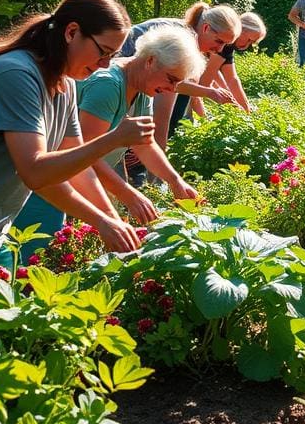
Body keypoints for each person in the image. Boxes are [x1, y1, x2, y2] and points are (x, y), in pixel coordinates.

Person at [0, 0, 154, 282]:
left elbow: (77, 172)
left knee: (13, 310)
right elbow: (35, 172)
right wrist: (113, 139)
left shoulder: (64, 85)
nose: (105, 64)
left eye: (113, 56)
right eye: (103, 51)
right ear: (72, 32)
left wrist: (111, 223)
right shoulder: (16, 74)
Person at [14, 26, 206, 260]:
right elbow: (84, 153)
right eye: (171, 79)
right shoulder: (108, 85)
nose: (172, 89)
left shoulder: (143, 88)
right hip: (48, 185)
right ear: (150, 61)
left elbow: (145, 143)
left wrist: (175, 181)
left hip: (73, 184)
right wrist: (127, 195)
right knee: (33, 257)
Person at [118, 3, 241, 149]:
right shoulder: (179, 43)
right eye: (219, 41)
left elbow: (177, 86)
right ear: (206, 28)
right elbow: (163, 110)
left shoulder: (190, 38)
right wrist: (160, 149)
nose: (219, 50)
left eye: (225, 45)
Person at [189, 11, 267, 117]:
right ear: (241, 29)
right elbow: (203, 84)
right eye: (249, 40)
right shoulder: (222, 45)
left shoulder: (228, 47)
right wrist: (204, 120)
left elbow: (232, 79)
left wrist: (245, 108)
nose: (247, 45)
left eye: (251, 43)